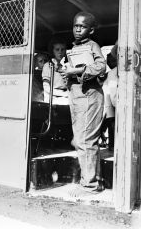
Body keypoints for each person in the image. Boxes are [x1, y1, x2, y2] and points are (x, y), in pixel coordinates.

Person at [60, 12, 106, 193]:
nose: (78, 29)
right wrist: (67, 74)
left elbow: (101, 65)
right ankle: (93, 180)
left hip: (89, 97)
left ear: (91, 30)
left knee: (85, 140)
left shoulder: (92, 45)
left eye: (83, 26)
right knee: (81, 139)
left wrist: (75, 71)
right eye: (75, 25)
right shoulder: (73, 48)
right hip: (78, 98)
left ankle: (90, 185)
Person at [42, 37, 68, 105]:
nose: (60, 52)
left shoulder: (67, 65)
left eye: (62, 49)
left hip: (65, 96)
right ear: (52, 51)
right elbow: (46, 88)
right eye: (57, 49)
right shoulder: (48, 66)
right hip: (52, 97)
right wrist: (64, 94)